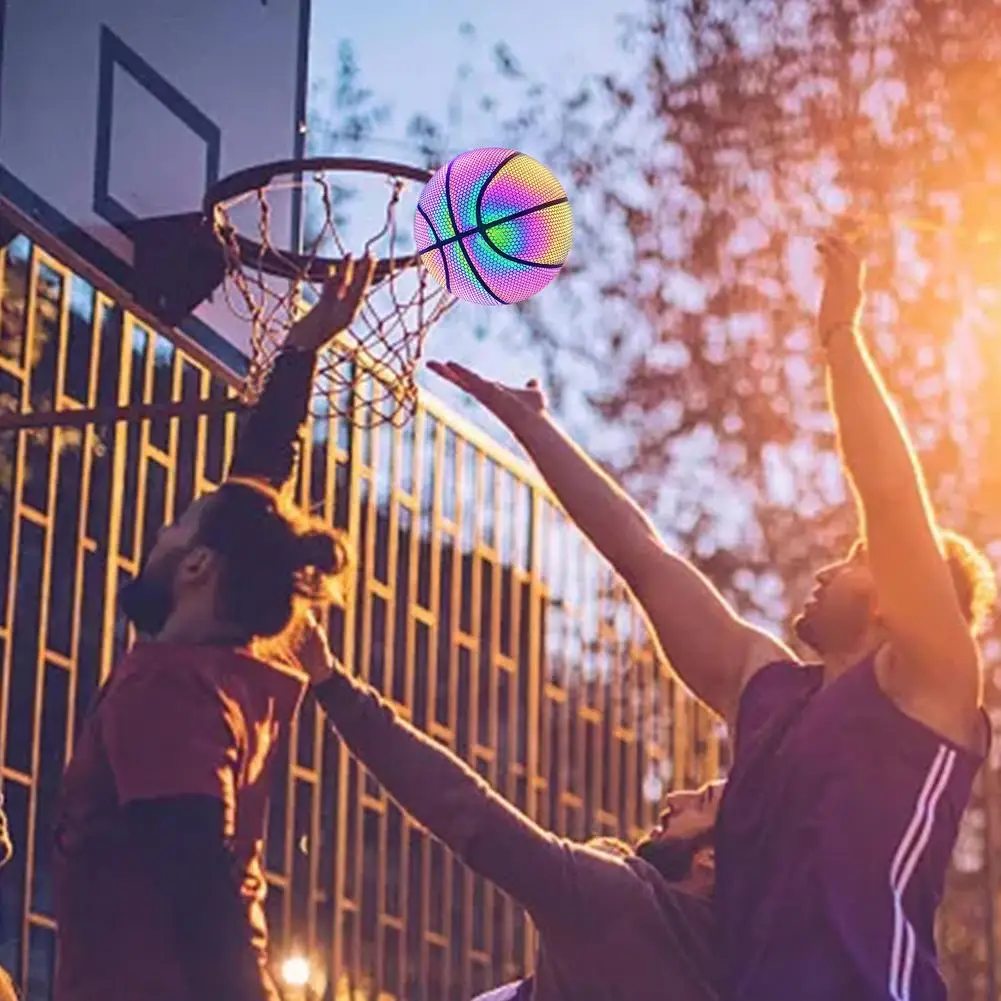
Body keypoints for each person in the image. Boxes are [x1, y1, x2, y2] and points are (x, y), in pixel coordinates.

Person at [430, 233, 996, 1001]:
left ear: (899, 594)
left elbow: (890, 494)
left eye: (854, 556)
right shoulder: (767, 693)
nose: (828, 566)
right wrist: (536, 430)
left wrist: (840, 334)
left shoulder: (928, 689)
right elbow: (644, 558)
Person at [52, 257, 375, 1001]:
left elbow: (200, 886)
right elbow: (254, 480)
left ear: (197, 566)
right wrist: (299, 351)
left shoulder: (170, 690)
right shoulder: (212, 677)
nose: (158, 536)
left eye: (174, 527)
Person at [292, 612, 720, 1001]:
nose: (674, 798)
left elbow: (462, 807)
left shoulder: (614, 898)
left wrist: (333, 685)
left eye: (701, 802)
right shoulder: (736, 974)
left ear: (711, 860)